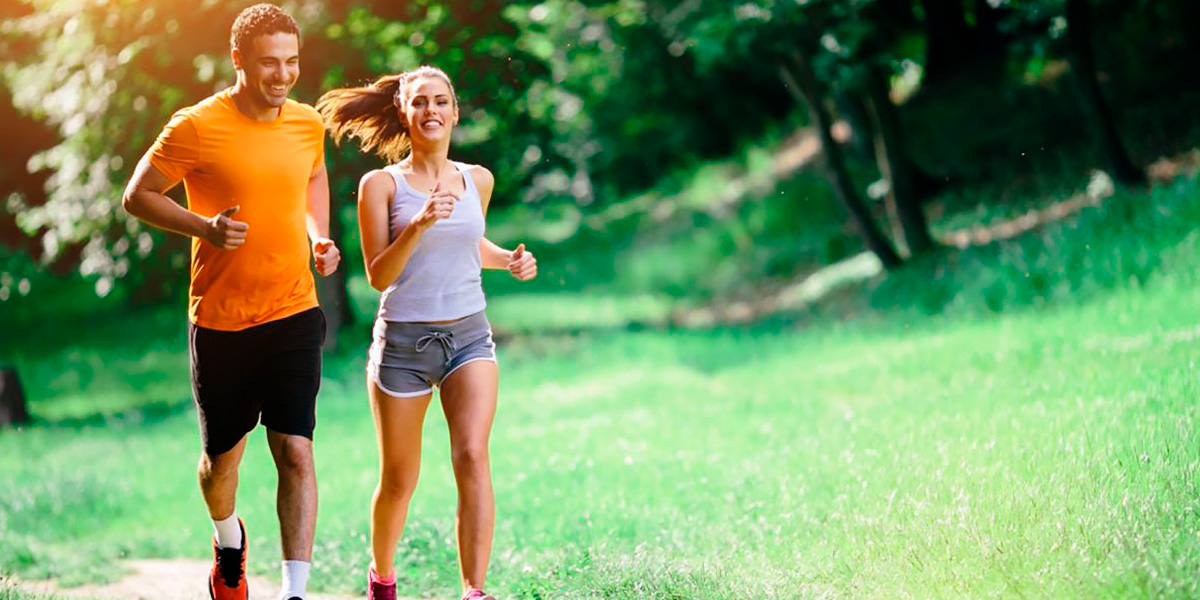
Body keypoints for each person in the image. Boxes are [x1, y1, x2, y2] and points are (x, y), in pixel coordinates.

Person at [120, 5, 339, 600]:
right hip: (221, 321)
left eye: (292, 61)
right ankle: (228, 541)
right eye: (269, 62)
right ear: (238, 59)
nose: (283, 74)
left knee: (295, 450)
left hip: (293, 309)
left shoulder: (306, 123)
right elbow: (137, 195)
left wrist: (317, 235)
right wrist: (205, 228)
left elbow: (313, 177)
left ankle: (294, 592)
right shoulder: (195, 125)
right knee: (221, 463)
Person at [316, 66, 537, 600]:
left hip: (469, 337)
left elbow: (468, 243)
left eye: (440, 101)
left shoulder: (477, 179)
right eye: (419, 102)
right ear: (403, 112)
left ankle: (474, 590)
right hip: (403, 346)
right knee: (399, 479)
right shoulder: (381, 185)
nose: (430, 110)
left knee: (472, 455)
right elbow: (378, 275)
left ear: (455, 112)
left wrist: (507, 260)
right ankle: (382, 577)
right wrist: (417, 224)